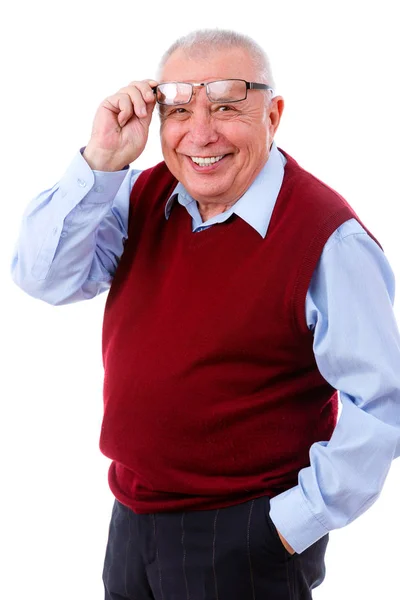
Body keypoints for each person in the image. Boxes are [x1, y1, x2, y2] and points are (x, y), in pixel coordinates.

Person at [11, 28, 400, 600]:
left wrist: (289, 527)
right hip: (132, 515)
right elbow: (43, 277)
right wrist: (100, 162)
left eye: (226, 105)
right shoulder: (141, 193)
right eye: (178, 108)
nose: (200, 132)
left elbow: (382, 404)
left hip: (242, 534)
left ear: (274, 115)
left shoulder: (328, 238)